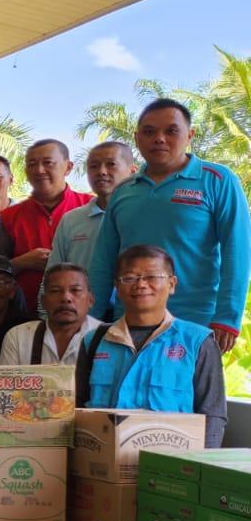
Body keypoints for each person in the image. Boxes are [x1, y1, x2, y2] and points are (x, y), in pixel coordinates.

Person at [88, 99, 251, 352]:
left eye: (171, 131)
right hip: (130, 321)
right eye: (149, 132)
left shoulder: (218, 180)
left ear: (190, 136)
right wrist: (91, 320)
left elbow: (237, 253)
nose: (160, 139)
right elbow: (103, 260)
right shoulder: (123, 192)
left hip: (196, 322)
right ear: (137, 137)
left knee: (190, 391)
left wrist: (227, 318)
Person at [77, 244, 226, 447]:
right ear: (117, 287)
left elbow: (213, 414)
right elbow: (77, 406)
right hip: (104, 465)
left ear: (172, 284)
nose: (141, 285)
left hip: (172, 466)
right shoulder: (94, 341)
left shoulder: (197, 342)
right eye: (130, 278)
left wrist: (201, 469)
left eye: (153, 277)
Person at [0, 139, 92, 304]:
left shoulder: (91, 208)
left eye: (48, 163)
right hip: (24, 314)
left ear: (68, 167)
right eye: (32, 164)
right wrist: (23, 262)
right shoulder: (10, 216)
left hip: (86, 311)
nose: (39, 170)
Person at [45, 142, 138, 282]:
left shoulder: (145, 216)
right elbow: (53, 274)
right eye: (93, 166)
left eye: (111, 164)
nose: (101, 172)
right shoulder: (71, 220)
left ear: (132, 171)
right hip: (81, 303)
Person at [0, 263, 100, 366]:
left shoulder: (105, 337)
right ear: (43, 302)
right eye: (55, 291)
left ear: (90, 300)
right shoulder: (18, 337)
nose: (66, 298)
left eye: (75, 290)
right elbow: (4, 381)